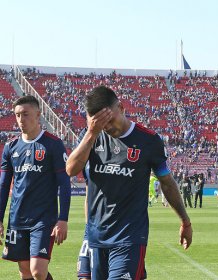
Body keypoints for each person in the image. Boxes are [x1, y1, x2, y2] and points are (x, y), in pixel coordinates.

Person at [66, 86, 192, 280]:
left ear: (121, 107)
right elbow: (71, 169)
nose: (107, 128)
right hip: (96, 236)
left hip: (129, 236)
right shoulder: (93, 136)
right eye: (100, 124)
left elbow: (166, 182)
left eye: (109, 121)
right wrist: (92, 133)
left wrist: (185, 221)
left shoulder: (148, 140)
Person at [0, 95, 71, 280]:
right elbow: (3, 185)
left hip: (43, 219)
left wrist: (63, 219)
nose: (20, 120)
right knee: (25, 271)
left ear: (38, 114)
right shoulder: (10, 147)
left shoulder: (53, 144)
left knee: (38, 271)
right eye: (17, 115)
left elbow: (64, 183)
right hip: (17, 218)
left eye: (25, 114)